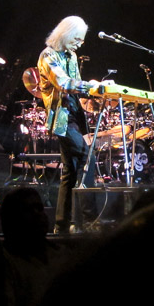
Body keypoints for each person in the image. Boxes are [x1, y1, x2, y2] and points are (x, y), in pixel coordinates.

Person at [37, 16, 98, 233]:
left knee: (70, 171)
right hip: (62, 120)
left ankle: (62, 225)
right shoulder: (47, 55)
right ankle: (89, 220)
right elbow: (63, 83)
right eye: (77, 39)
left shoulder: (71, 56)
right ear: (66, 35)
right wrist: (91, 85)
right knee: (87, 158)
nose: (80, 44)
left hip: (75, 117)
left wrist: (99, 92)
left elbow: (77, 88)